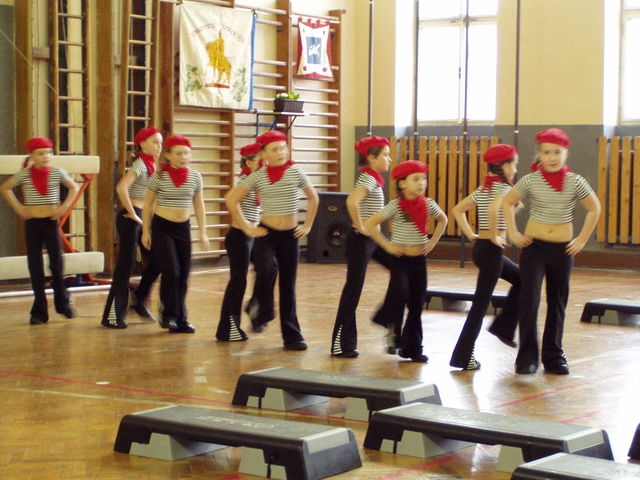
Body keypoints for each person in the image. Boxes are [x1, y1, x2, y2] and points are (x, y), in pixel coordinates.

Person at [503, 128, 601, 375]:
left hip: (562, 249)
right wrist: (513, 233)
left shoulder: (575, 181)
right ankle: (527, 357)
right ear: (540, 154)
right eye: (547, 152)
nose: (552, 157)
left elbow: (594, 208)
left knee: (557, 301)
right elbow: (507, 201)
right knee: (530, 299)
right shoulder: (531, 180)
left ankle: (554, 356)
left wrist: (582, 239)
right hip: (534, 248)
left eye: (557, 152)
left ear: (565, 152)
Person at [225, 130, 319, 351]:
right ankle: (260, 309)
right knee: (266, 270)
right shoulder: (258, 175)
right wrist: (247, 227)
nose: (280, 152)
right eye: (275, 149)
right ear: (264, 154)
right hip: (266, 234)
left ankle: (292, 336)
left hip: (290, 236)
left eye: (283, 148)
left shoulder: (295, 172)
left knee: (288, 286)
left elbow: (313, 197)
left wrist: (307, 225)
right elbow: (231, 200)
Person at [365, 160, 447, 362]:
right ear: (402, 183)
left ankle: (413, 348)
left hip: (419, 261)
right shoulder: (395, 206)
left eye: (424, 179)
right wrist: (386, 245)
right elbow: (371, 223)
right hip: (400, 260)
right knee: (399, 293)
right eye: (416, 179)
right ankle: (393, 331)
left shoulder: (428, 204)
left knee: (417, 304)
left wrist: (433, 241)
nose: (421, 183)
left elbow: (443, 219)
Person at [449, 144, 521, 371]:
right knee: (479, 306)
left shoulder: (486, 188)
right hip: (491, 250)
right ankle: (464, 356)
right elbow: (492, 211)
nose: (515, 170)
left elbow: (457, 210)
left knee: (522, 279)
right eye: (514, 165)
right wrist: (493, 235)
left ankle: (504, 327)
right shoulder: (503, 189)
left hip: (482, 248)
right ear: (504, 166)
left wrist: (472, 235)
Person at [1, 137, 79, 324]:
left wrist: (63, 208)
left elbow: (74, 187)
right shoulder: (24, 174)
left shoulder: (57, 172)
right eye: (41, 153)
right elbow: (5, 188)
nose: (46, 156)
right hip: (33, 224)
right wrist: (19, 208)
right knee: (35, 265)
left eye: (49, 152)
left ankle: (62, 301)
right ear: (31, 155)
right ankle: (39, 310)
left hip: (50, 223)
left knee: (56, 263)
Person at [330, 136, 394, 358]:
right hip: (361, 240)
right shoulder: (368, 179)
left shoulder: (373, 178)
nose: (389, 159)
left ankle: (387, 317)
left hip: (373, 240)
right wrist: (359, 224)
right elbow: (351, 201)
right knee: (353, 289)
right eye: (385, 155)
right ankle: (341, 343)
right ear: (371, 158)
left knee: (401, 269)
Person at [141, 134, 209, 333]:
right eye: (178, 153)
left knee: (184, 274)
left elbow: (199, 205)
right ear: (168, 155)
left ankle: (181, 318)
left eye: (186, 153)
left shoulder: (195, 177)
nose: (183, 157)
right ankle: (167, 314)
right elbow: (147, 205)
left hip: (183, 229)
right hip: (163, 228)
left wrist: (203, 232)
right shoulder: (159, 177)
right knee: (172, 271)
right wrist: (146, 231)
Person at [101, 126, 163, 329]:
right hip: (130, 219)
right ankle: (112, 316)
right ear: (143, 144)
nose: (159, 146)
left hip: (143, 218)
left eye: (161, 142)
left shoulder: (152, 164)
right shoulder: (140, 164)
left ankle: (139, 298)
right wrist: (133, 213)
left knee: (158, 259)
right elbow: (121, 188)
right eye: (155, 142)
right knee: (125, 267)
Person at [216, 142, 275, 341]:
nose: (265, 163)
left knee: (269, 268)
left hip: (252, 237)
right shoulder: (244, 180)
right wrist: (247, 227)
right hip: (239, 237)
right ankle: (228, 328)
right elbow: (231, 202)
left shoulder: (258, 180)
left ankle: (256, 308)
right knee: (238, 281)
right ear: (249, 162)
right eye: (261, 160)